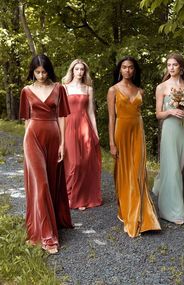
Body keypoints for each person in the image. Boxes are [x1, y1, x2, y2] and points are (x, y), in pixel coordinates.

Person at [19, 54, 73, 254]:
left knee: (51, 181)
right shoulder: (26, 91)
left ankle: (53, 221)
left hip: (53, 138)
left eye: (44, 72)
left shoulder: (59, 88)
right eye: (37, 72)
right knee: (40, 184)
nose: (41, 76)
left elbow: (62, 117)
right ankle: (47, 236)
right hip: (32, 138)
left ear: (49, 70)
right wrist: (25, 145)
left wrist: (62, 143)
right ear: (32, 72)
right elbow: (26, 120)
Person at [107, 56, 161, 238]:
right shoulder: (113, 90)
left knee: (138, 173)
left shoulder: (141, 91)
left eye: (131, 67)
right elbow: (111, 119)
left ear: (134, 70)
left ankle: (142, 217)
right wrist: (112, 143)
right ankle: (127, 212)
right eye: (124, 67)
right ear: (120, 70)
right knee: (123, 173)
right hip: (121, 132)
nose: (127, 70)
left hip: (138, 132)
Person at [152, 52, 184, 225]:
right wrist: (171, 111)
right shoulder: (161, 87)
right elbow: (158, 114)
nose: (171, 68)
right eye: (169, 65)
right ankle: (172, 211)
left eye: (174, 65)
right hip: (170, 129)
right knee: (172, 166)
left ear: (181, 67)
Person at [62, 59, 102, 210]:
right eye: (76, 69)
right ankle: (69, 196)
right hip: (69, 126)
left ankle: (81, 198)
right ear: (72, 70)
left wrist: (96, 133)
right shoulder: (64, 88)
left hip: (85, 126)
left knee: (84, 163)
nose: (79, 72)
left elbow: (91, 112)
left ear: (85, 72)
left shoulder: (88, 89)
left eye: (82, 70)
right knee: (73, 163)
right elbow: (61, 112)